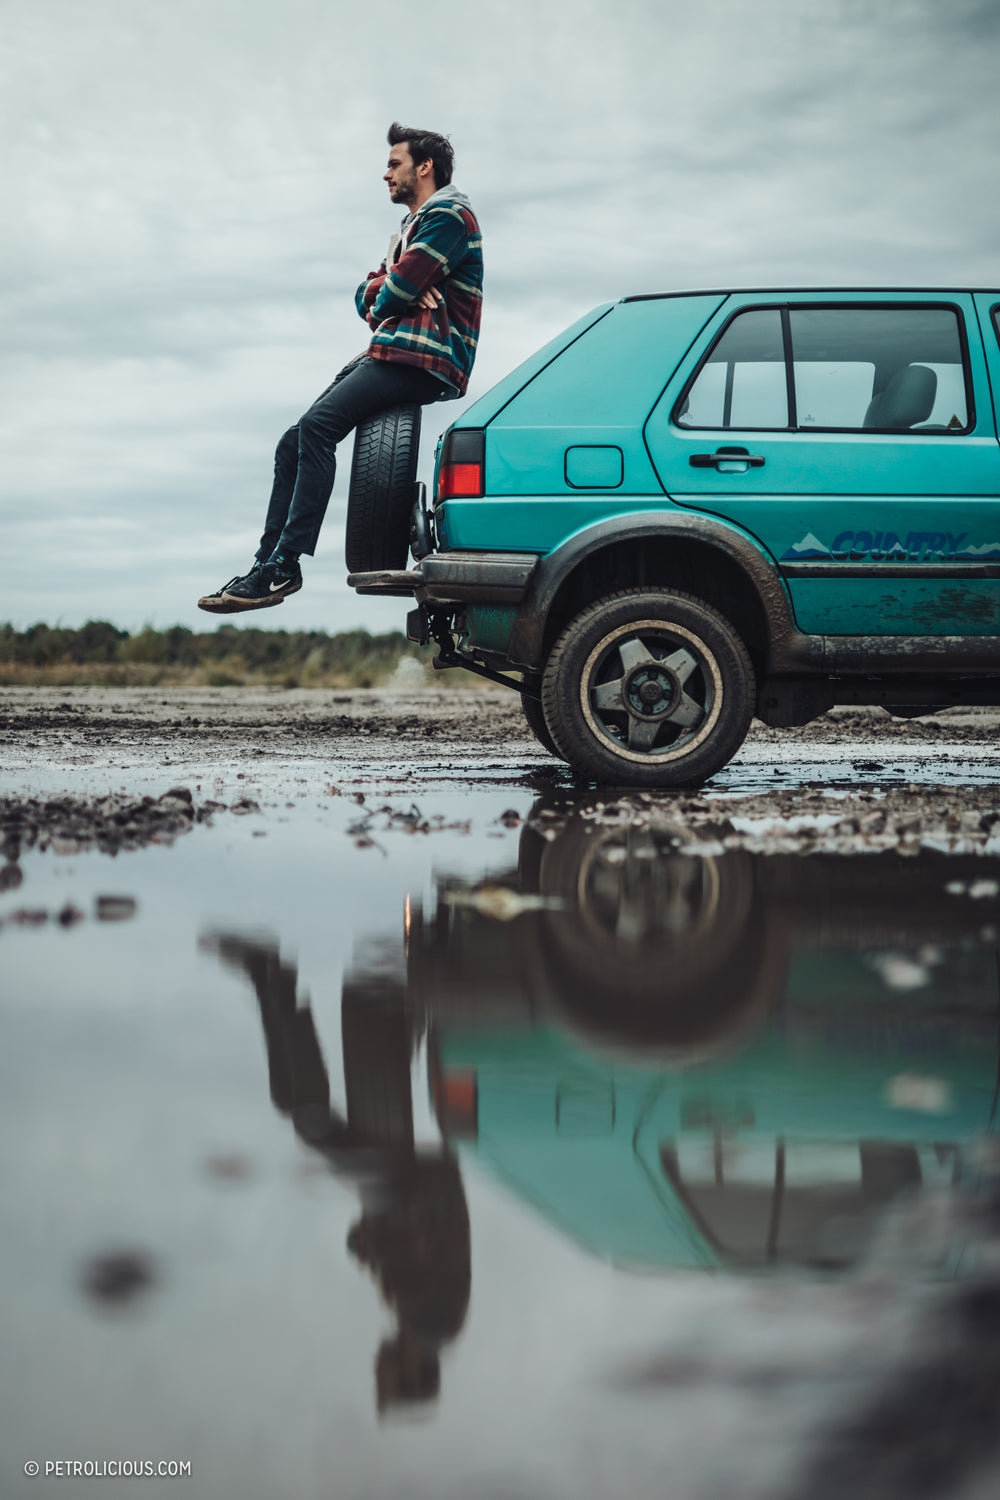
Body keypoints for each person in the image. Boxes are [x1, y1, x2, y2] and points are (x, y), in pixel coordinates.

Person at [198, 122, 483, 614]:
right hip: (394, 349)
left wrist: (392, 286)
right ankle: (267, 562)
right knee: (293, 443)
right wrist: (394, 284)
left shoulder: (450, 217)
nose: (386, 173)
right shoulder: (411, 230)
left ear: (424, 167)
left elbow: (389, 293)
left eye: (394, 163)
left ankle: (285, 564)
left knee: (318, 426)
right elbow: (367, 297)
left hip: (423, 355)